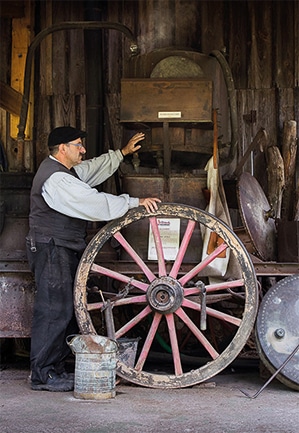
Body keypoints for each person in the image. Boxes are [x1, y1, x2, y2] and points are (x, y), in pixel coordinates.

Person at [26, 126, 160, 392]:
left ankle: (57, 368)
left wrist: (121, 154)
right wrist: (134, 202)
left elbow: (93, 169)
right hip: (53, 247)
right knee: (55, 310)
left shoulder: (67, 172)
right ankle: (43, 374)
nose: (83, 150)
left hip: (63, 245)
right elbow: (93, 203)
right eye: (78, 145)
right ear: (62, 148)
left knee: (66, 310)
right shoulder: (56, 179)